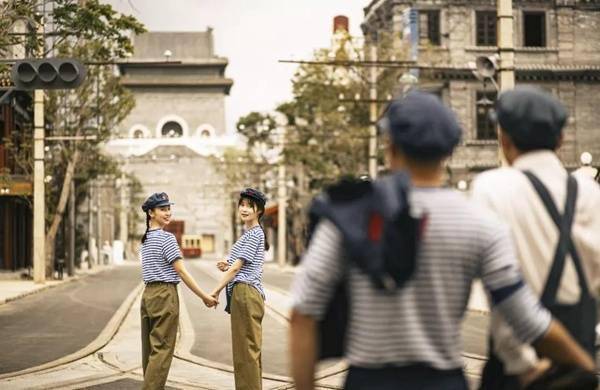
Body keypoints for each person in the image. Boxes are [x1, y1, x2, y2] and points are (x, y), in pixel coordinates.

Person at [288, 91, 596, 390]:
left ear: (390, 146)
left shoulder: (351, 214)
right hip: (444, 381)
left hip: (369, 379)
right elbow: (527, 319)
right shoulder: (479, 223)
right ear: (449, 153)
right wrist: (584, 367)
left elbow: (303, 312)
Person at [471, 87, 600, 388]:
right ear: (560, 140)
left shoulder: (491, 188)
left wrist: (525, 365)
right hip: (577, 359)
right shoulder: (590, 194)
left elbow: (495, 284)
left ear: (504, 139)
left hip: (514, 369)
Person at [139, 192, 218, 390]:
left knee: (149, 349)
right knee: (162, 349)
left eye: (168, 209)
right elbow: (182, 272)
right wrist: (204, 296)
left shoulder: (146, 239)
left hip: (148, 295)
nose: (168, 213)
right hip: (165, 295)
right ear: (151, 213)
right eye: (163, 209)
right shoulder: (167, 239)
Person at [210, 188, 270, 390]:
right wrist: (226, 264)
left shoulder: (254, 234)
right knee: (248, 350)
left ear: (259, 211)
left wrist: (216, 289)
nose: (244, 209)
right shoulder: (249, 234)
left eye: (249, 206)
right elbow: (236, 264)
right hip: (244, 293)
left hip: (245, 293)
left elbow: (237, 268)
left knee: (246, 352)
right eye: (242, 205)